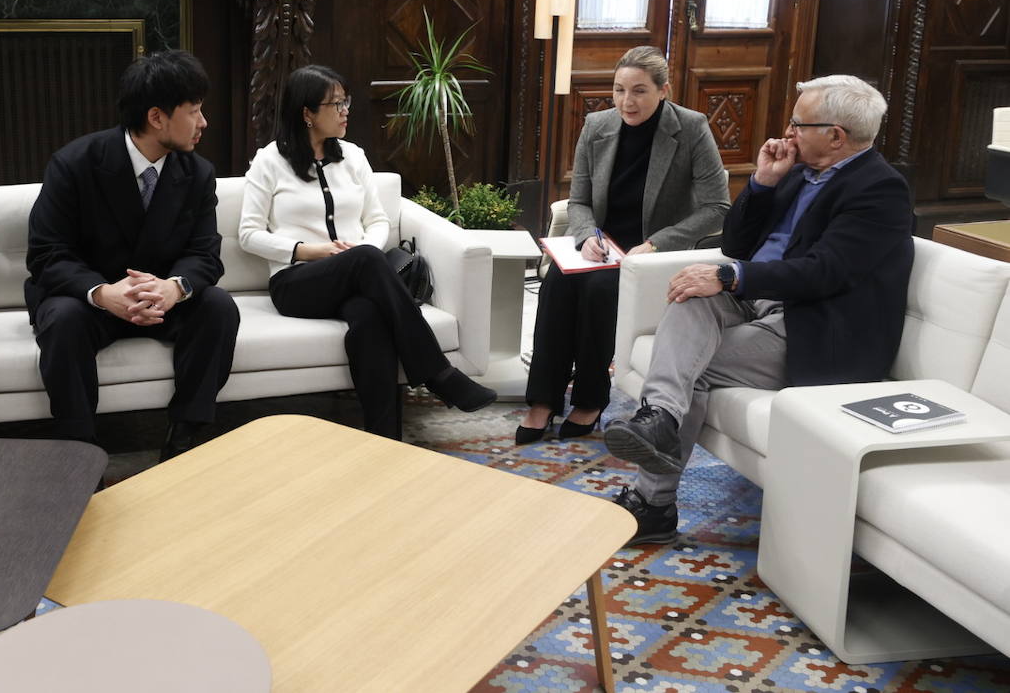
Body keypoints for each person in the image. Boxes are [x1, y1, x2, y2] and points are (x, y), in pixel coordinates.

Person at [603, 75, 914, 545]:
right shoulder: (795, 170)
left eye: (798, 123)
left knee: (695, 364)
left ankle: (654, 504)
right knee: (690, 296)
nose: (787, 132)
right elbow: (736, 243)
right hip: (756, 301)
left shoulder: (880, 190)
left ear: (836, 135)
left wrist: (732, 276)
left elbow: (823, 272)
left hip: (810, 323)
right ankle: (660, 418)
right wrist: (763, 185)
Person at [238, 64, 496, 437]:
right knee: (364, 262)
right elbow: (248, 234)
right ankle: (439, 373)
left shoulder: (353, 157)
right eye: (335, 104)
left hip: (357, 276)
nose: (346, 111)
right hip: (297, 283)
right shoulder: (270, 161)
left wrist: (363, 250)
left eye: (346, 102)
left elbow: (378, 221)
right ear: (307, 113)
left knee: (370, 317)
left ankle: (384, 438)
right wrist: (309, 251)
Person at [25, 50, 239, 462]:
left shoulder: (197, 173)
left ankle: (184, 440)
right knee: (62, 320)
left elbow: (205, 254)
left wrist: (174, 288)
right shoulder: (74, 164)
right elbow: (47, 254)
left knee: (217, 306)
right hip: (93, 301)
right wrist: (102, 293)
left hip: (160, 300)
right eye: (193, 111)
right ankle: (79, 453)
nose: (203, 123)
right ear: (157, 117)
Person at [518, 46, 729, 444]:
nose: (626, 102)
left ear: (663, 90)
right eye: (618, 90)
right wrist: (586, 236)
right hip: (600, 247)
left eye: (639, 91)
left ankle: (590, 400)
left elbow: (717, 206)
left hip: (652, 255)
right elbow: (578, 200)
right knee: (557, 286)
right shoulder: (597, 126)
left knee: (599, 291)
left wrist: (657, 243)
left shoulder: (691, 129)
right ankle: (543, 400)